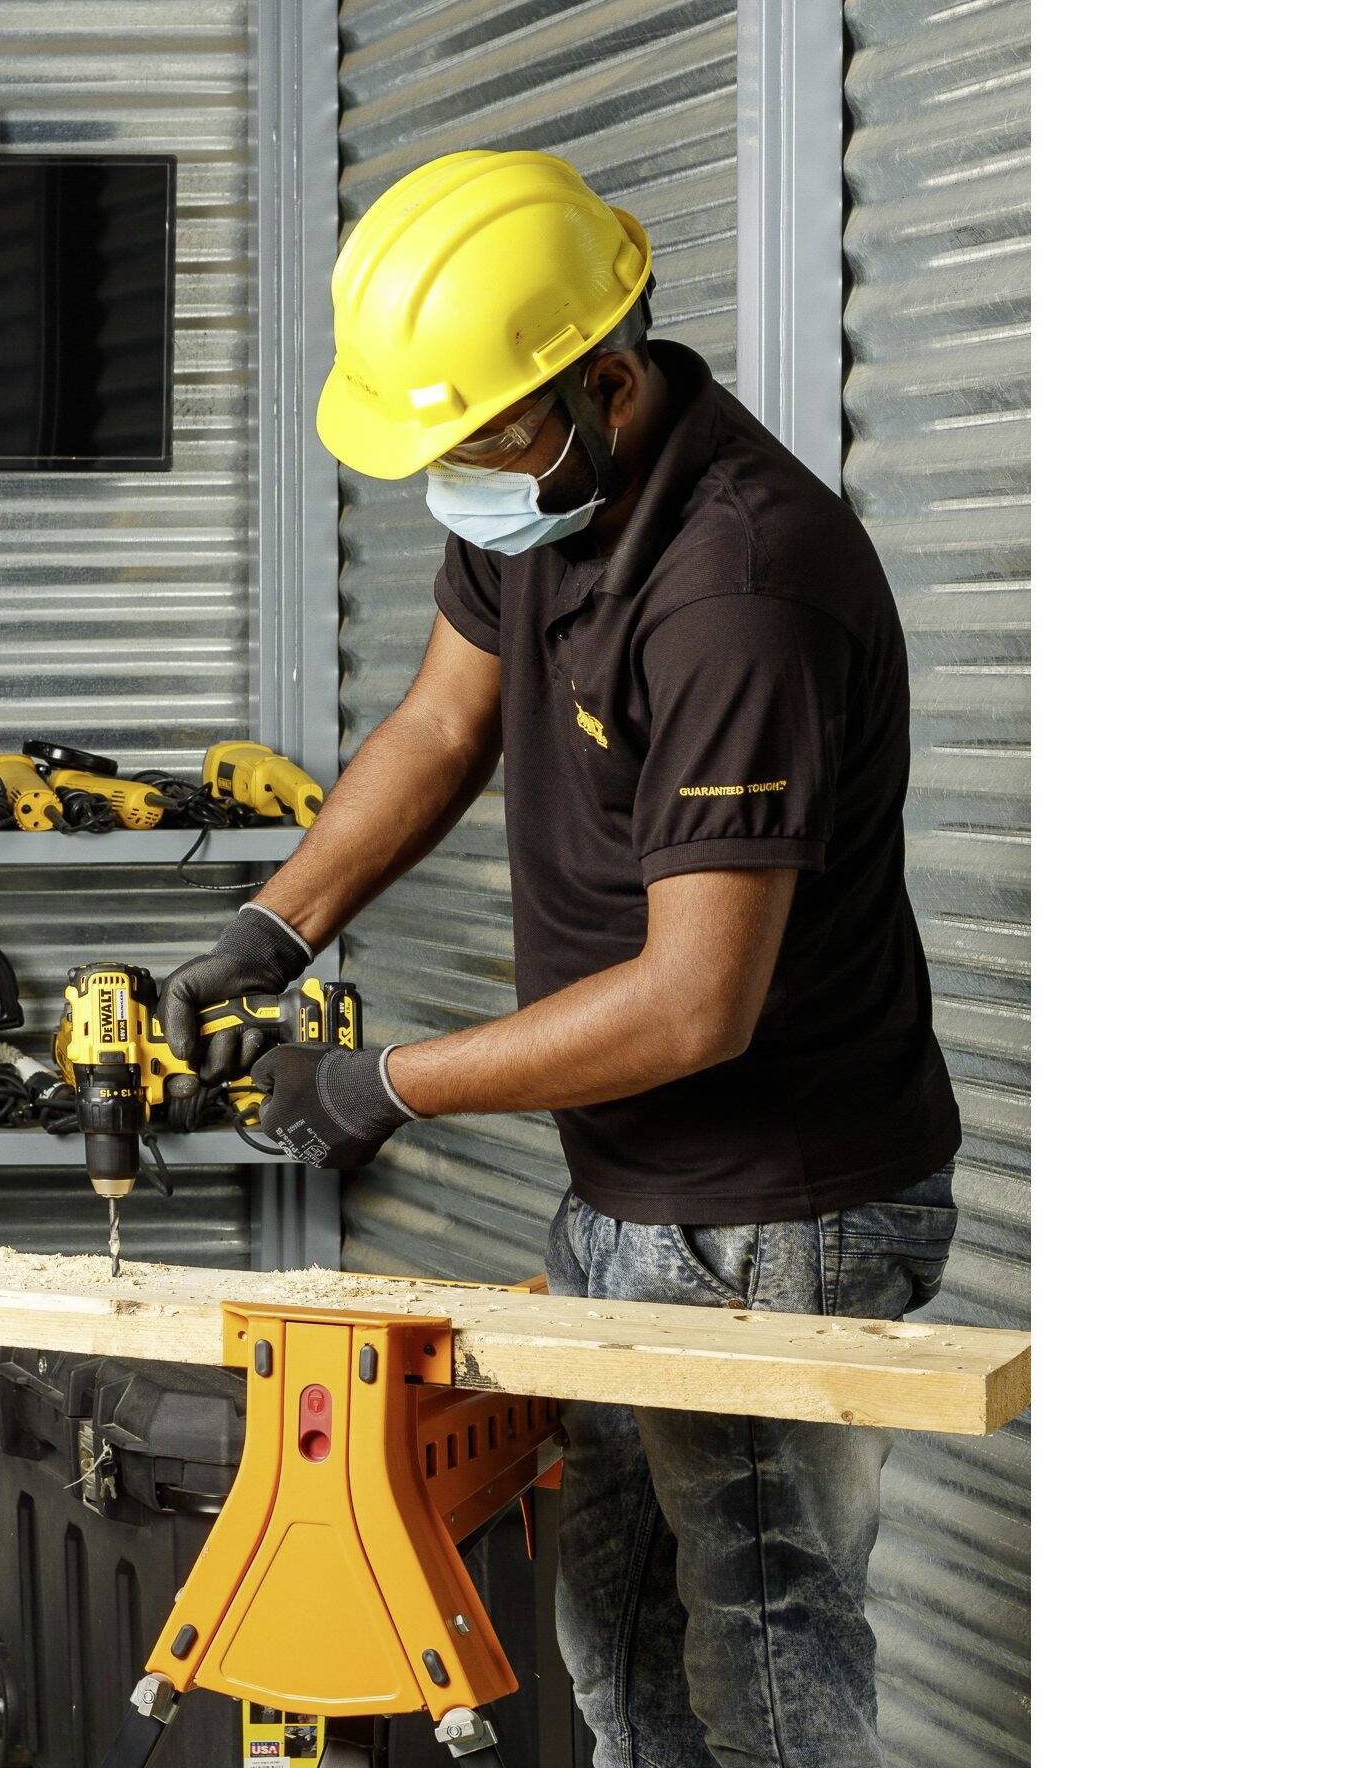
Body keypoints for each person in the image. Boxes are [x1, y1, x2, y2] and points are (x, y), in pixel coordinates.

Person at [159, 150, 961, 1767]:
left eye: (479, 439)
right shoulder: (547, 488)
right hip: (634, 1186)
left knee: (765, 1655)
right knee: (619, 1640)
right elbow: (446, 720)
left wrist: (377, 1085)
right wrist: (274, 925)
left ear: (604, 378)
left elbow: (696, 1000)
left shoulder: (738, 583)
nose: (457, 474)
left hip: (775, 1206)